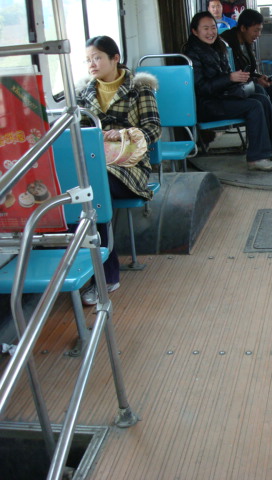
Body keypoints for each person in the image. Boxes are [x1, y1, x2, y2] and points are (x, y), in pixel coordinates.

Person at [76, 35, 161, 305]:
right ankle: (86, 271)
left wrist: (122, 134)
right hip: (94, 163)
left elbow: (153, 128)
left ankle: (105, 275)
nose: (92, 64)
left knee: (92, 196)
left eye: (98, 58)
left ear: (115, 58)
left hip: (128, 164)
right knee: (81, 195)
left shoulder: (139, 88)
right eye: (88, 59)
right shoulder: (83, 92)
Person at [184, 12, 272, 172]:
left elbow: (226, 77)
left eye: (213, 27)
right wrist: (230, 78)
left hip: (222, 97)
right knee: (254, 106)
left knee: (262, 99)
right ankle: (256, 157)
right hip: (207, 105)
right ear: (195, 31)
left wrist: (240, 79)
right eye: (205, 28)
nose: (211, 32)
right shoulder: (192, 54)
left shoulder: (218, 47)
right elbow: (201, 87)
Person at [221, 9, 272, 139]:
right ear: (243, 28)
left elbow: (248, 70)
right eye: (255, 30)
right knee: (259, 89)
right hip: (232, 88)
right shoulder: (227, 44)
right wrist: (255, 81)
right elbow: (232, 74)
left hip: (245, 82)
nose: (258, 34)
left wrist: (258, 77)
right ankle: (270, 132)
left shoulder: (246, 42)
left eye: (260, 30)